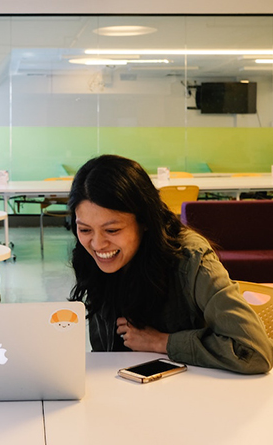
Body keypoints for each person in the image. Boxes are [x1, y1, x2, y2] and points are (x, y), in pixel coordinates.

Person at [68, 154, 273, 374]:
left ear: (145, 221)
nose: (97, 244)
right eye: (85, 229)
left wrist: (161, 342)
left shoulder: (191, 259)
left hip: (195, 395)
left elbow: (255, 353)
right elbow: (104, 353)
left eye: (112, 230)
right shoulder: (91, 258)